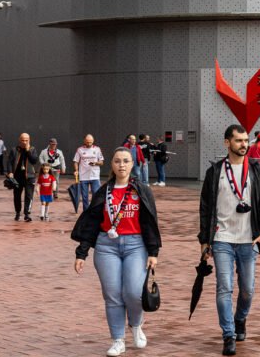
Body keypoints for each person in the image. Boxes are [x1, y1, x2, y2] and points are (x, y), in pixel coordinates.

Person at [72, 147, 161, 357]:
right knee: (112, 295)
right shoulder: (104, 191)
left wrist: (153, 252)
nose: (122, 165)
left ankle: (136, 324)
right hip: (106, 246)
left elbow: (150, 221)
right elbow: (92, 222)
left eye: (126, 161)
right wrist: (82, 253)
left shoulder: (142, 190)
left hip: (136, 245)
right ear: (111, 165)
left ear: (132, 164)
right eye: (118, 161)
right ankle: (118, 340)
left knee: (133, 292)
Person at [199, 125, 260, 356]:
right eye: (239, 140)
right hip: (222, 238)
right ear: (227, 143)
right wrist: (204, 240)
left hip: (249, 239)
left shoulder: (256, 169)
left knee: (247, 289)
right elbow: (205, 208)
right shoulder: (215, 171)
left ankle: (240, 318)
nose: (244, 144)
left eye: (246, 140)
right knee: (224, 287)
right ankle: (228, 335)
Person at [6, 133, 39, 222]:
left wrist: (28, 151)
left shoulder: (32, 149)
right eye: (23, 140)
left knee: (29, 196)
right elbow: (9, 162)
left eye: (26, 140)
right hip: (17, 177)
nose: (24, 142)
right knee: (17, 196)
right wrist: (10, 172)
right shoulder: (14, 150)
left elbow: (34, 160)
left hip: (29, 177)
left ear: (29, 140)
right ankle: (17, 212)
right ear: (19, 140)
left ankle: (27, 214)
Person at [75, 135, 106, 213]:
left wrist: (95, 163)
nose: (89, 143)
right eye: (87, 142)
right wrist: (76, 170)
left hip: (95, 176)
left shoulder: (97, 149)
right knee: (85, 197)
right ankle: (86, 212)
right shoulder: (80, 149)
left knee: (96, 195)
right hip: (83, 176)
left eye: (90, 142)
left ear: (93, 141)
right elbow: (76, 161)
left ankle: (94, 211)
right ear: (84, 141)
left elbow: (101, 162)